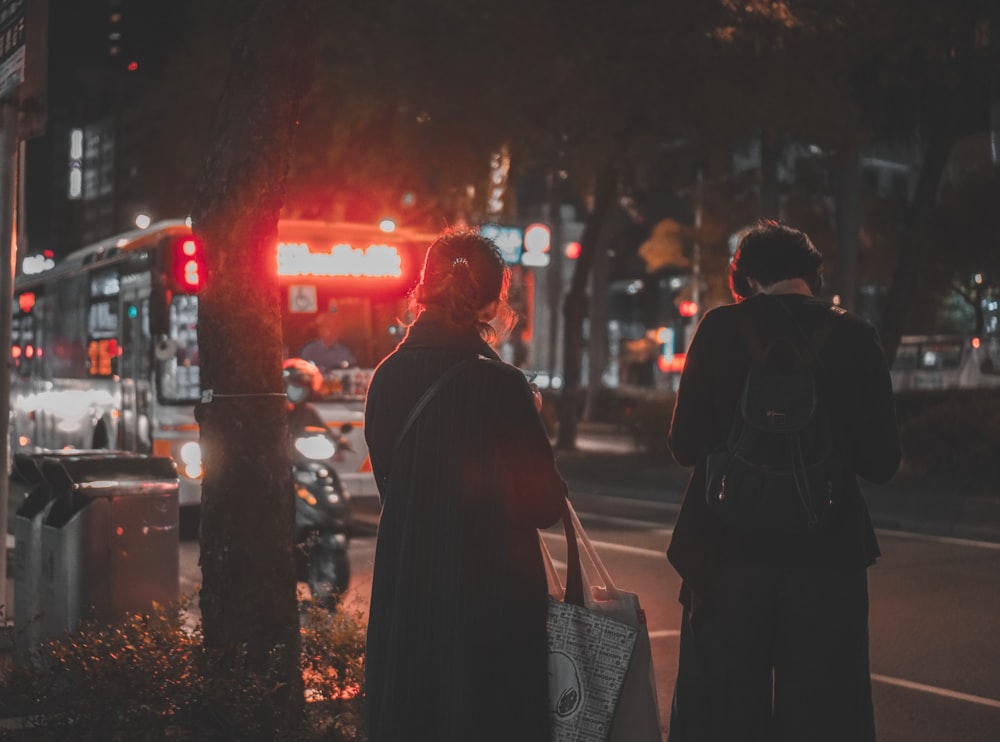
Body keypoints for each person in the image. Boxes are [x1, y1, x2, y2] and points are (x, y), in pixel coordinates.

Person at [665, 219, 901, 742]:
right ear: (812, 277)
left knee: (720, 713)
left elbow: (684, 447)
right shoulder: (856, 335)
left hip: (723, 557)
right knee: (824, 716)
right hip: (827, 561)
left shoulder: (720, 328)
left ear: (743, 279)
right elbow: (883, 462)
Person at [363, 229, 567, 742]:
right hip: (492, 603)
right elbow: (545, 505)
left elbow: (395, 489)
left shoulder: (386, 377)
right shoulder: (501, 384)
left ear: (423, 287)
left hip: (410, 596)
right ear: (496, 297)